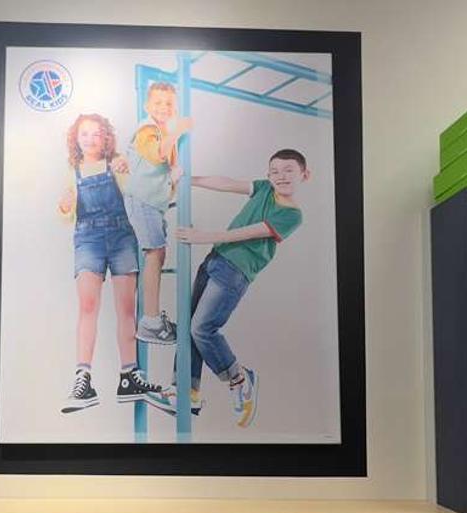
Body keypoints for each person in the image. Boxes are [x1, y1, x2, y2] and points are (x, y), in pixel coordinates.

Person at [174, 148, 309, 427]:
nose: (281, 176)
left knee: (202, 328)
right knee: (189, 326)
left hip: (235, 272)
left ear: (304, 175)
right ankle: (186, 390)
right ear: (268, 175)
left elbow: (248, 233)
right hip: (215, 258)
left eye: (289, 171)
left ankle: (238, 378)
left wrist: (203, 236)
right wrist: (189, 179)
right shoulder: (264, 188)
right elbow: (227, 183)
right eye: (275, 171)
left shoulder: (293, 215)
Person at [57, 113, 171, 414]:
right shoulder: (71, 170)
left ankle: (129, 376)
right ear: (76, 138)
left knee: (126, 309)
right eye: (84, 133)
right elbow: (66, 210)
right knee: (88, 306)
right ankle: (83, 379)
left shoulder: (117, 163)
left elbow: (137, 192)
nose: (90, 139)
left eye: (97, 133)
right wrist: (64, 206)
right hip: (88, 238)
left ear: (106, 138)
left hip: (122, 236)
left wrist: (127, 168)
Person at [123, 81, 192, 345]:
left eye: (169, 104)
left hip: (150, 201)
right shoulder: (147, 130)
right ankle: (150, 322)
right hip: (142, 201)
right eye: (158, 103)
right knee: (155, 253)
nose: (164, 107)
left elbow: (161, 167)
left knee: (157, 254)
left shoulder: (162, 132)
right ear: (147, 106)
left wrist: (172, 178)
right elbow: (157, 154)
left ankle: (150, 319)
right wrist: (178, 130)